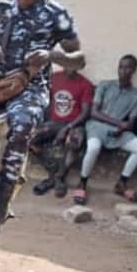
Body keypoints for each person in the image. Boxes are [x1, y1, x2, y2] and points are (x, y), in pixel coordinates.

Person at [0, 0, 84, 243]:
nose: (22, 1)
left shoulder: (56, 14)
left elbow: (78, 57)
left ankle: (0, 203)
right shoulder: (2, 8)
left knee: (21, 126)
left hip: (30, 88)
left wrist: (52, 56)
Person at [74, 55, 137, 205]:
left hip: (117, 132)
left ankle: (121, 183)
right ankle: (82, 182)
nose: (123, 71)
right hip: (96, 126)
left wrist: (124, 127)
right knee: (94, 148)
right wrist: (119, 123)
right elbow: (94, 113)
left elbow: (132, 120)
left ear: (134, 70)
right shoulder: (105, 85)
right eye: (121, 67)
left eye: (127, 67)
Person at [30, 63, 94, 198]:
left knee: (74, 141)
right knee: (29, 139)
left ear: (79, 66)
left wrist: (68, 128)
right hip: (54, 122)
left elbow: (86, 112)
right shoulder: (53, 78)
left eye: (73, 64)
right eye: (67, 63)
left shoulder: (85, 84)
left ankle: (59, 177)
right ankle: (53, 175)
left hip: (74, 124)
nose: (70, 67)